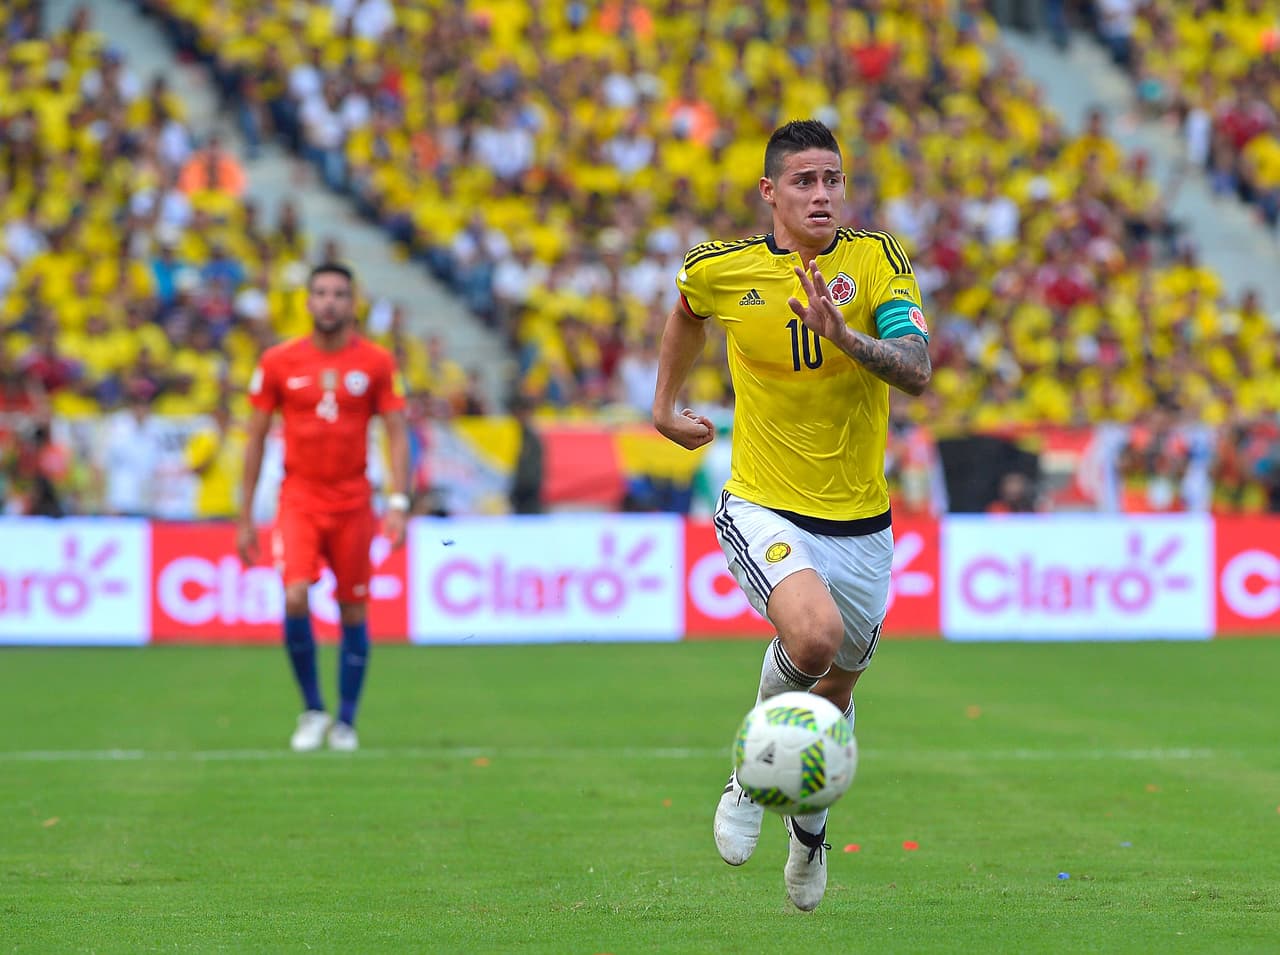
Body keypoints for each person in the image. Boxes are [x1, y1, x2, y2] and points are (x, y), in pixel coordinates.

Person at [652, 119, 932, 911]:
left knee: (832, 698)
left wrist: (845, 336)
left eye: (833, 180)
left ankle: (809, 835)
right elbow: (685, 313)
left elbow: (916, 371)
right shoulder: (722, 269)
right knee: (808, 636)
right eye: (805, 181)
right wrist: (664, 403)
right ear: (770, 193)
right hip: (764, 501)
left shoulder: (876, 261)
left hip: (862, 525)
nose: (822, 195)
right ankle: (748, 775)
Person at [238, 263, 410, 753]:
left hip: (355, 500)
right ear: (308, 302)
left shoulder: (377, 363)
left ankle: (346, 722)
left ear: (352, 302)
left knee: (352, 607)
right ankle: (313, 709)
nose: (329, 301)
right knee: (294, 596)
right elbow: (253, 439)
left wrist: (398, 500)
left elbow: (397, 435)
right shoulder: (277, 361)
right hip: (300, 498)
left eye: (338, 293)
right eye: (320, 293)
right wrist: (245, 514)